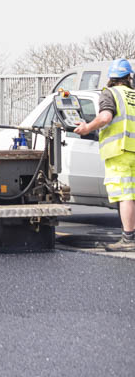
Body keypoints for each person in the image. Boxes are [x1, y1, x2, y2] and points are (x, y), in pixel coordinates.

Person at [73, 59, 135, 251]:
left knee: (125, 195)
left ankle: (128, 238)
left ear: (111, 78)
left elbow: (106, 117)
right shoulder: (133, 95)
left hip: (120, 150)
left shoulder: (110, 93)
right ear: (128, 77)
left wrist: (87, 127)